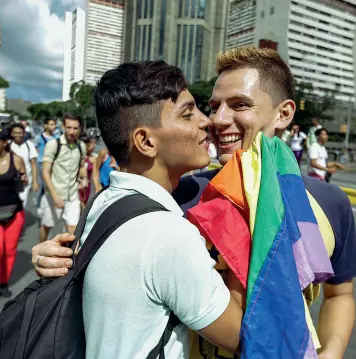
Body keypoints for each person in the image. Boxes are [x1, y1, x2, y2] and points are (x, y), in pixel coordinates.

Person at [32, 47, 356, 359]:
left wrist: (330, 353)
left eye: (239, 104)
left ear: (284, 114)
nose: (217, 119)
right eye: (214, 104)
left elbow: (340, 294)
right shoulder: (185, 192)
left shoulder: (327, 203)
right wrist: (60, 258)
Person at [44, 61, 244, 358]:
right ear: (146, 142)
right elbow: (238, 335)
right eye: (188, 114)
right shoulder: (167, 235)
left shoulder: (101, 202)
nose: (207, 121)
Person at [39, 113, 86, 243]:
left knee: (73, 230)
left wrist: (84, 178)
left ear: (80, 128)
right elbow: (45, 172)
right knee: (47, 227)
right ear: (63, 126)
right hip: (53, 195)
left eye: (75, 128)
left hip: (72, 195)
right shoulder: (54, 144)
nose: (72, 131)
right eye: (69, 127)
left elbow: (81, 166)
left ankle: (72, 261)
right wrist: (55, 196)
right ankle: (41, 250)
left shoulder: (81, 146)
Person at [0, 127, 27, 297]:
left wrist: (22, 180)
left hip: (13, 213)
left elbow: (24, 182)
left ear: (4, 142)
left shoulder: (16, 159)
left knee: (9, 251)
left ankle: (3, 282)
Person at [10, 123, 39, 208]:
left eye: (20, 133)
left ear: (24, 133)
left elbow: (33, 164)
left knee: (22, 205)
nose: (17, 135)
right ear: (11, 134)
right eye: (15, 133)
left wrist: (35, 181)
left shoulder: (29, 145)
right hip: (10, 181)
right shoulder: (8, 145)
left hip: (25, 182)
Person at [35, 118, 59, 210]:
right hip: (42, 164)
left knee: (51, 184)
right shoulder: (39, 137)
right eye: (51, 124)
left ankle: (50, 204)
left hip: (53, 164)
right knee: (43, 185)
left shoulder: (56, 137)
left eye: (54, 124)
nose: (54, 126)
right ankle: (39, 206)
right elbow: (35, 148)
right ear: (45, 126)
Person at [79, 134, 97, 208]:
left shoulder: (94, 158)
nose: (95, 146)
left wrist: (97, 189)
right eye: (93, 143)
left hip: (87, 187)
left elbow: (95, 175)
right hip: (78, 186)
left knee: (85, 206)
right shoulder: (78, 156)